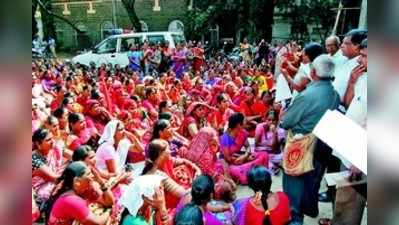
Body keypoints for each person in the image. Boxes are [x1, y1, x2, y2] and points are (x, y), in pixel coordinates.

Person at [280, 54, 340, 225]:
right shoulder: (334, 94)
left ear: (313, 72)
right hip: (323, 144)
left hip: (302, 144)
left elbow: (287, 122)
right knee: (314, 179)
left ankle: (296, 217)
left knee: (294, 183)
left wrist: (282, 117)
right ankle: (310, 207)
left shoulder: (307, 95)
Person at [319, 39, 368, 225]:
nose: (360, 60)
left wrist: (362, 158)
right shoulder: (363, 77)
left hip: (363, 152)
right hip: (350, 145)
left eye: (364, 56)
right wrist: (352, 83)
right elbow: (348, 103)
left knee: (354, 194)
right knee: (346, 196)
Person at [46, 161, 114, 225]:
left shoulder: (86, 189)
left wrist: (101, 182)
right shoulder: (71, 200)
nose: (92, 177)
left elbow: (109, 202)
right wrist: (108, 211)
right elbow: (98, 223)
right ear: (77, 181)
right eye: (88, 174)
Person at [220, 113, 268, 184]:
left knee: (264, 155)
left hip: (242, 157)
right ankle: (253, 171)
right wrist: (245, 158)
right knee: (237, 171)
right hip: (231, 163)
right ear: (239, 125)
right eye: (244, 120)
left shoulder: (242, 132)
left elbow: (248, 147)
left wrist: (246, 155)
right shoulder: (224, 138)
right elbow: (228, 158)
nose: (246, 122)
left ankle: (252, 171)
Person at [332, 29, 367, 103]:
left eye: (346, 43)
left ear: (357, 46)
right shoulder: (343, 60)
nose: (341, 46)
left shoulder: (361, 67)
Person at [32, 128, 65, 205]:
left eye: (52, 138)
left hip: (55, 179)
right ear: (38, 144)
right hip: (41, 189)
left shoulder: (55, 148)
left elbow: (73, 156)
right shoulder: (34, 158)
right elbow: (55, 178)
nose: (52, 142)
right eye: (48, 140)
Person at [254, 110, 286, 175]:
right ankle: (272, 166)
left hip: (274, 154)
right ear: (265, 120)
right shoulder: (260, 126)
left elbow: (275, 148)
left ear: (277, 121)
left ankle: (271, 165)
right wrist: (268, 146)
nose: (271, 122)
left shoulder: (281, 131)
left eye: (273, 120)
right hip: (261, 152)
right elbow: (256, 143)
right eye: (269, 120)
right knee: (258, 156)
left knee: (283, 157)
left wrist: (275, 133)